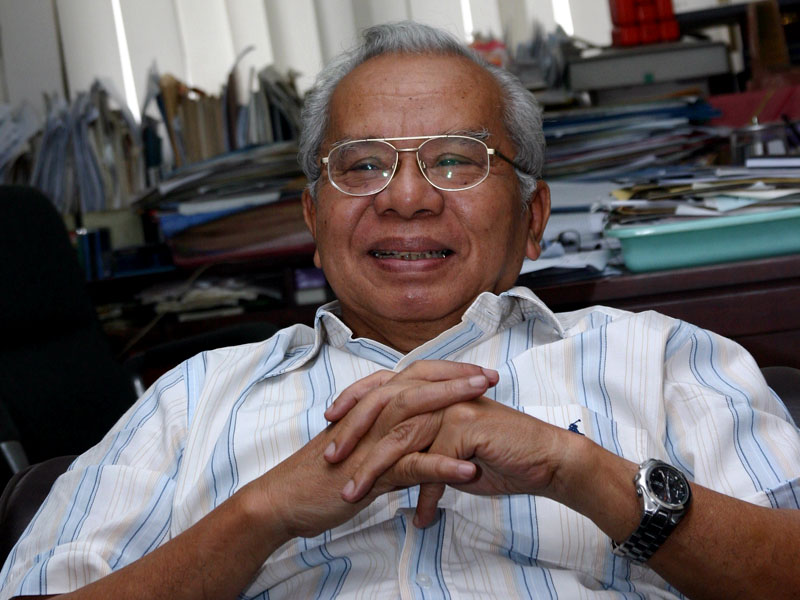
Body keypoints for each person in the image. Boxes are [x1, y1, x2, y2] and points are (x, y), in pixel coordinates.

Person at [2, 20, 799, 600]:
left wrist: (579, 471)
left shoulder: (665, 360)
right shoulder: (191, 399)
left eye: (455, 160)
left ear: (533, 216)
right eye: (362, 166)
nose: (407, 198)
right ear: (314, 221)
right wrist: (261, 514)